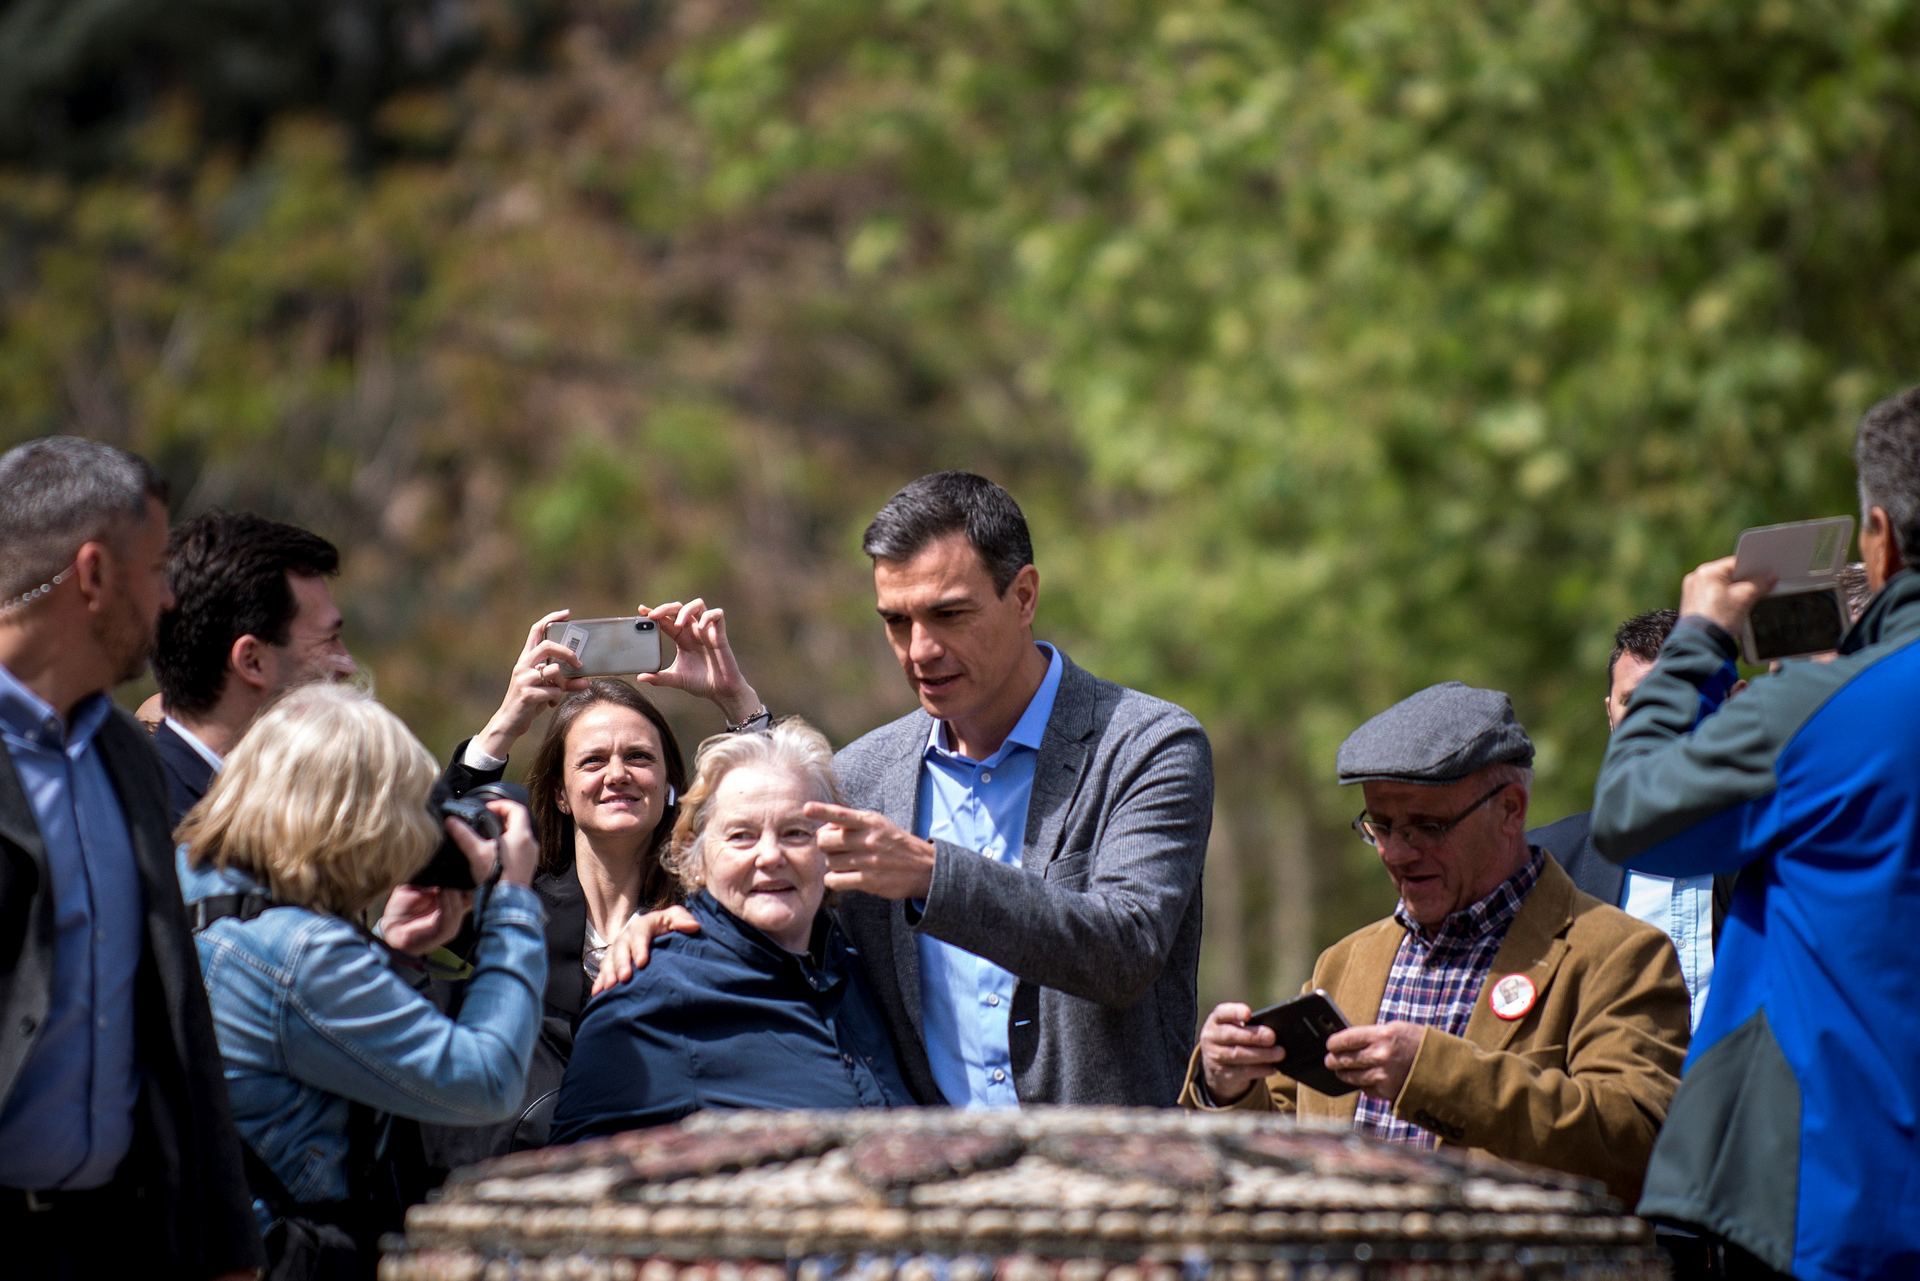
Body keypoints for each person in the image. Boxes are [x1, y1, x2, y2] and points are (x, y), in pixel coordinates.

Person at [1592, 388, 1920, 1281]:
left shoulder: (1825, 714)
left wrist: (1702, 638)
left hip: (1838, 1200)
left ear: (1880, 536)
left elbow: (1634, 813)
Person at [1185, 682, 1690, 1207]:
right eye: (1380, 825)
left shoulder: (1619, 954)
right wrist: (1230, 1085)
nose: (1397, 853)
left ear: (1511, 810)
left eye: (1428, 826)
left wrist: (1432, 1075)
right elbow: (1282, 1149)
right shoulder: (1345, 962)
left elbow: (1635, 1144)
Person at [803, 471, 1214, 1108]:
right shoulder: (863, 775)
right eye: (896, 622)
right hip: (928, 1186)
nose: (920, 650)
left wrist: (931, 875)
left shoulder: (1147, 746)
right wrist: (659, 920)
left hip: (1111, 1187)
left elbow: (1126, 951)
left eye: (949, 614)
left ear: (1023, 597)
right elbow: (781, 927)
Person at [0, 437, 262, 1280]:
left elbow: (175, 1009)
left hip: (120, 1240)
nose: (170, 598)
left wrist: (226, 1246)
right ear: (92, 576)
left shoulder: (126, 754)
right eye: (155, 570)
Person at [177, 681, 547, 1278]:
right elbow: (487, 1081)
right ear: (353, 818)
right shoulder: (302, 952)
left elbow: (289, 1040)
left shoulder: (191, 884)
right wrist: (512, 904)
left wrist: (390, 957)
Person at [421, 601, 763, 1163]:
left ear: (670, 785)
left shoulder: (712, 913)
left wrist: (736, 700)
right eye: (592, 761)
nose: (617, 774)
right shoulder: (513, 905)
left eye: (638, 757)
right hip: (529, 1183)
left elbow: (794, 838)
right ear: (559, 792)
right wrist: (505, 722)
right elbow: (427, 862)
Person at [551, 718, 914, 1141]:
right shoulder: (650, 997)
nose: (770, 855)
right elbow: (575, 1180)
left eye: (796, 833)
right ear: (696, 857)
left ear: (830, 850)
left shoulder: (863, 970)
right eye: (742, 836)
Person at [1529, 609, 1732, 1029]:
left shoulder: (1788, 849)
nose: (1658, 722)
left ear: (1734, 704)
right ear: (1610, 715)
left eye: (1680, 698)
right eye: (1635, 703)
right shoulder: (1544, 866)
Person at [150, 510, 356, 826]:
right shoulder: (166, 823)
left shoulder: (276, 807)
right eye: (330, 639)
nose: (348, 665)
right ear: (252, 661)